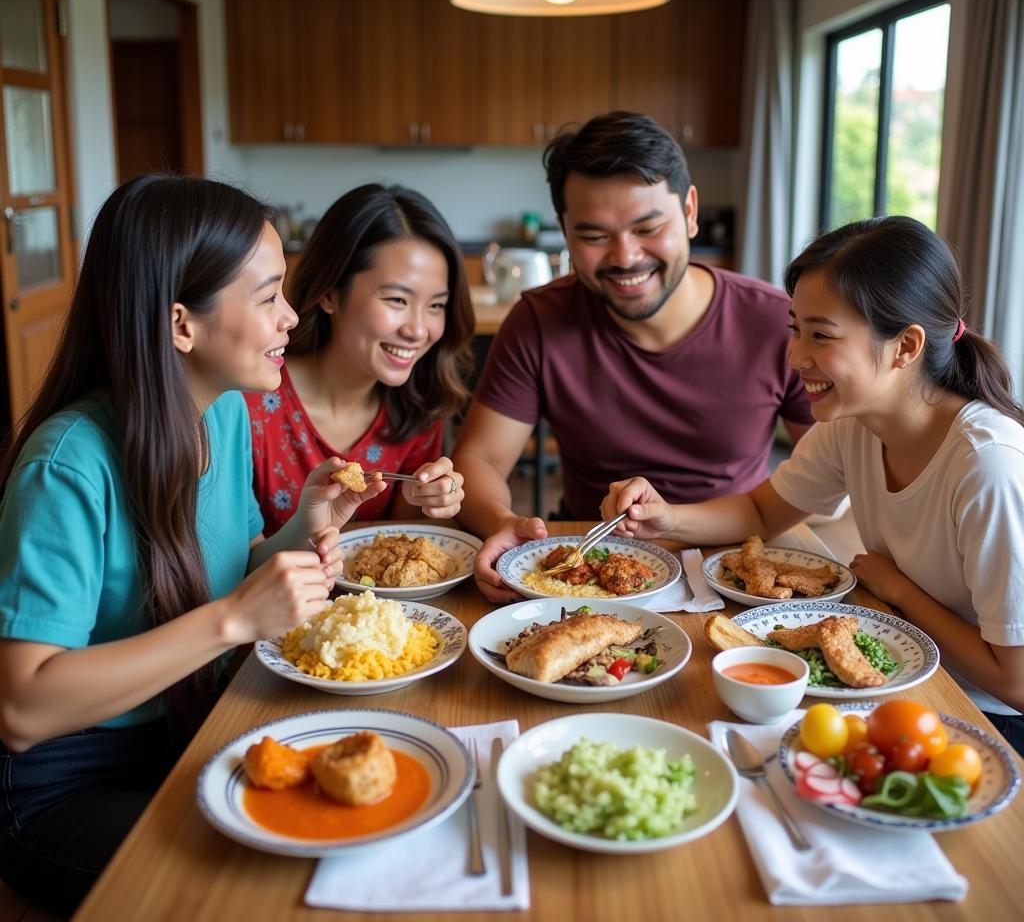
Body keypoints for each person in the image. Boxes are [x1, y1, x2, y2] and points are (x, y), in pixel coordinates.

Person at [0, 175, 386, 915]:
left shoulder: (227, 414)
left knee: (355, 823)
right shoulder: (68, 464)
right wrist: (235, 621)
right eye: (269, 297)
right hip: (61, 786)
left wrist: (305, 527)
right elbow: (22, 706)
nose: (292, 317)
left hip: (185, 732)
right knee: (278, 886)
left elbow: (222, 567)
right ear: (182, 324)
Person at [601, 216, 1024, 752]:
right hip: (893, 682)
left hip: (982, 719)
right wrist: (667, 516)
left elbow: (1015, 683)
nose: (796, 357)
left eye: (821, 335)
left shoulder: (988, 465)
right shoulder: (852, 425)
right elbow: (761, 513)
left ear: (906, 346)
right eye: (795, 329)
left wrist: (894, 590)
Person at [454, 111, 814, 602]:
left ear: (690, 211)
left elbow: (826, 467)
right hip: (587, 565)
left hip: (735, 566)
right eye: (595, 236)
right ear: (564, 231)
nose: (624, 257)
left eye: (647, 227)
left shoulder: (776, 322)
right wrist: (502, 522)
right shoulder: (540, 320)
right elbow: (479, 456)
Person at [245, 183, 473, 536]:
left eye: (436, 306)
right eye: (397, 300)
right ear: (331, 293)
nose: (418, 330)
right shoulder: (250, 400)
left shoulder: (419, 403)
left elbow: (402, 542)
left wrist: (430, 502)